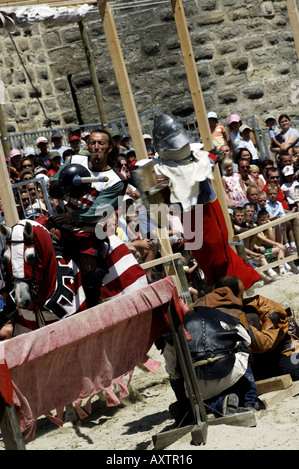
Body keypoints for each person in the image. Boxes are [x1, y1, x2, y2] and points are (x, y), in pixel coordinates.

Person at [150, 113, 260, 290]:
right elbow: (212, 157)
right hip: (197, 220)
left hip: (204, 219)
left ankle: (230, 294)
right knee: (214, 264)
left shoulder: (171, 167)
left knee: (221, 265)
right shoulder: (190, 162)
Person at [159, 275, 260, 424]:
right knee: (243, 348)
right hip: (227, 374)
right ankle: (249, 401)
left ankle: (189, 410)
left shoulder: (173, 333)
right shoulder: (220, 315)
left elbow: (172, 372)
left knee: (175, 376)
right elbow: (248, 339)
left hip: (195, 387)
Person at [48, 128, 127, 307]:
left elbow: (97, 212)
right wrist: (54, 188)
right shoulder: (75, 160)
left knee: (89, 266)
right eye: (93, 143)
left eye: (101, 143)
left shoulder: (117, 181)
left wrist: (70, 218)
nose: (96, 147)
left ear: (109, 149)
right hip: (56, 219)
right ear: (88, 146)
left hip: (86, 229)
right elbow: (55, 185)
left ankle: (92, 307)